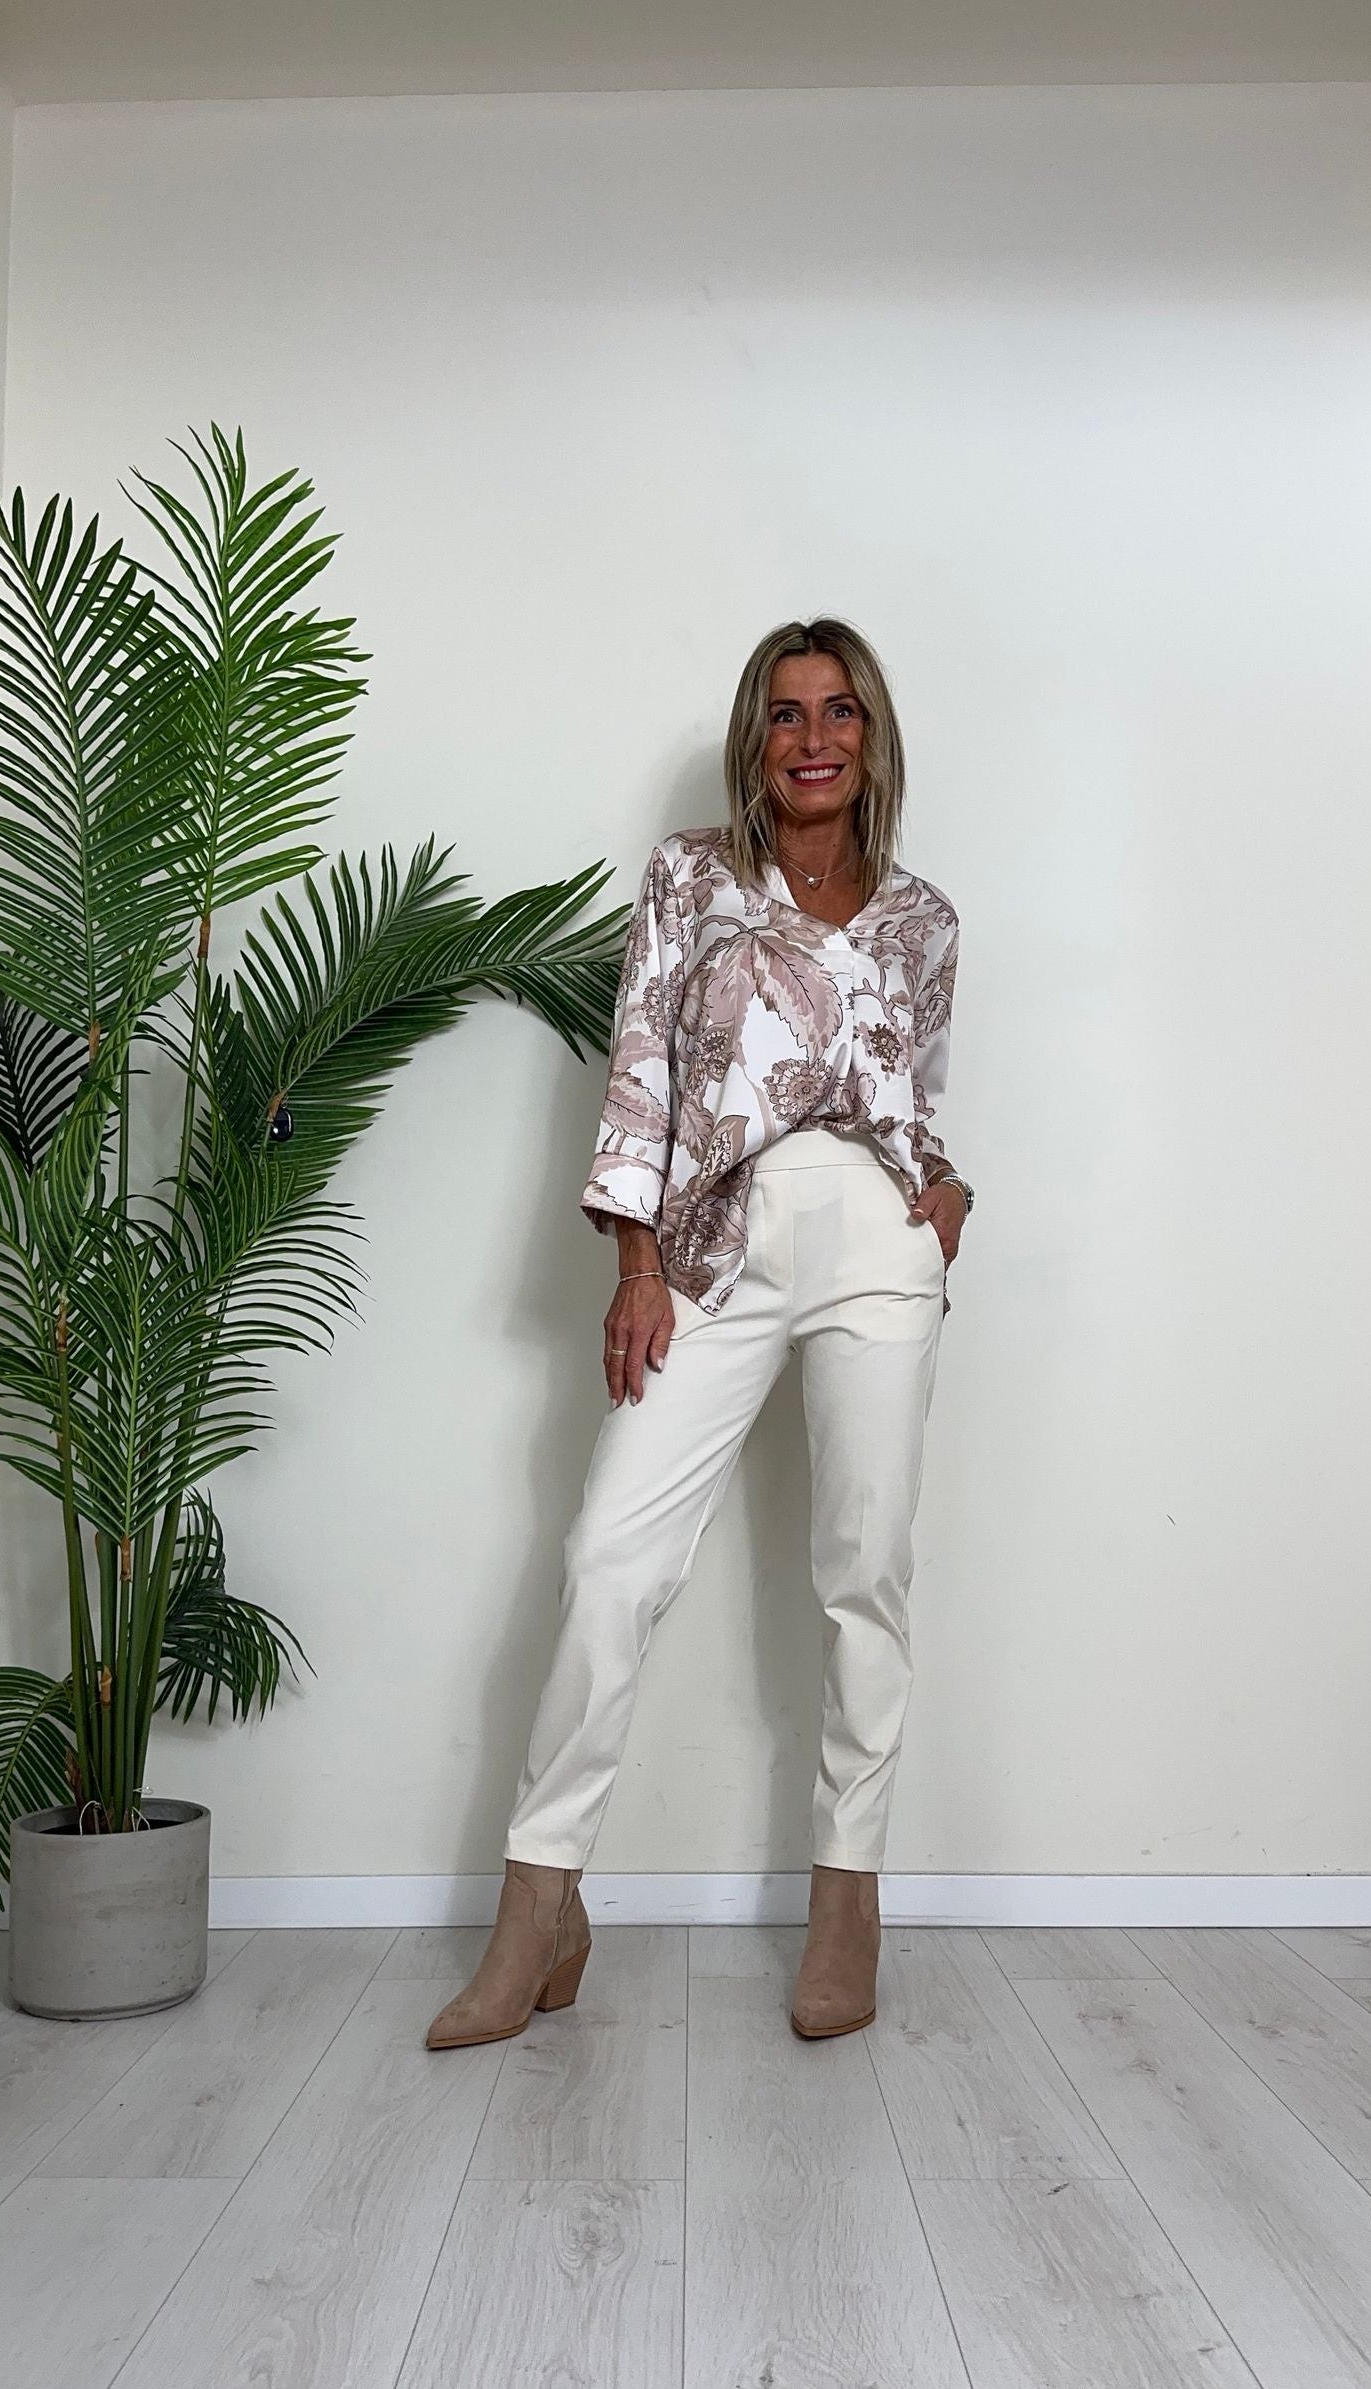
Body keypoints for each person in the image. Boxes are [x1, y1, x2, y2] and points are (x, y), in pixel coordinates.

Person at [426, 616, 973, 2051]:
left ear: (872, 738)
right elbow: (642, 1072)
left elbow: (913, 1098)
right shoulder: (689, 878)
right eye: (787, 713)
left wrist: (946, 1191)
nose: (814, 737)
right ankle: (541, 1902)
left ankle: (846, 1900)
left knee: (865, 1572)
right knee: (610, 1558)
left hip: (878, 1247)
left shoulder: (926, 919)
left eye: (840, 712)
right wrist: (636, 1263)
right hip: (714, 1245)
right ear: (755, 738)